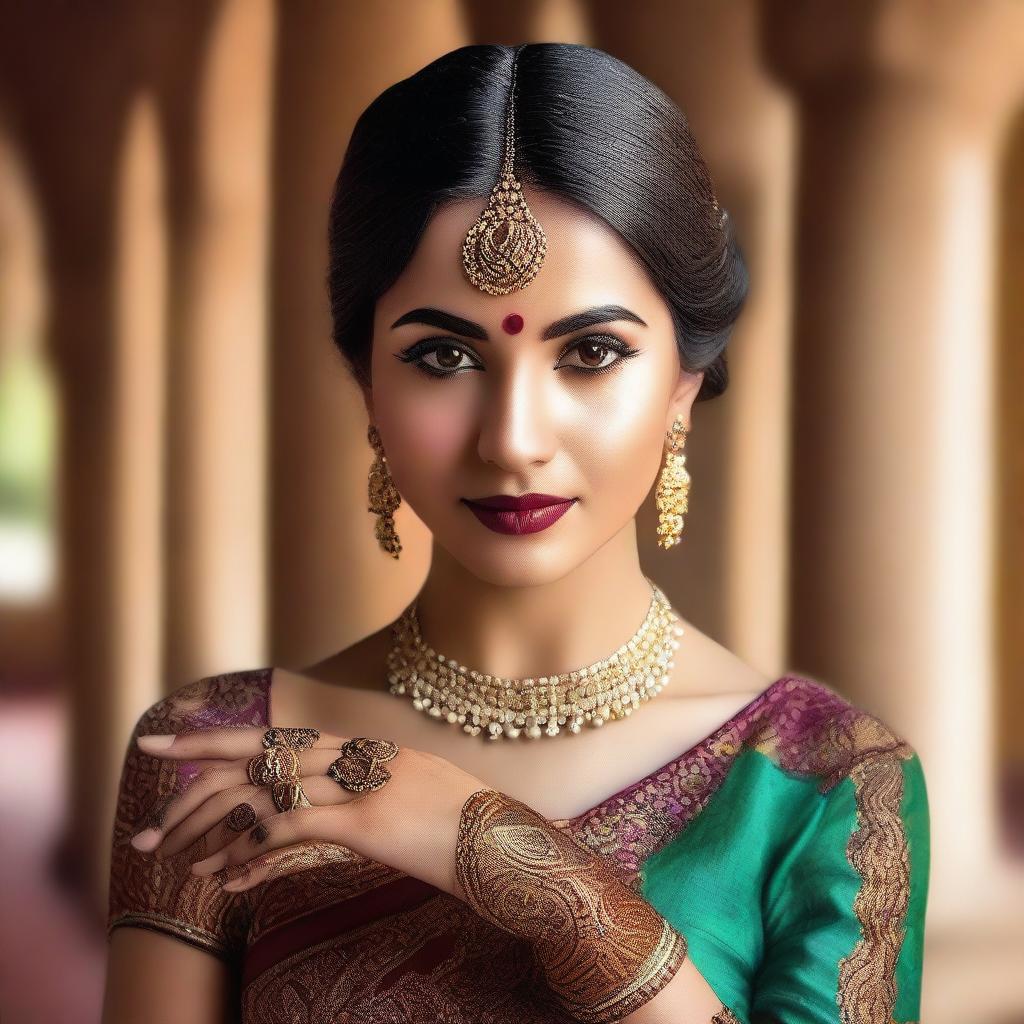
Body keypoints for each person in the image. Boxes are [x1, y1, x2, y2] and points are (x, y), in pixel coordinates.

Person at [101, 42, 929, 1024]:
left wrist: (487, 842)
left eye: (589, 352)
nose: (513, 439)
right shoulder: (214, 754)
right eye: (443, 354)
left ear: (682, 385)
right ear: (367, 379)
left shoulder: (824, 781)